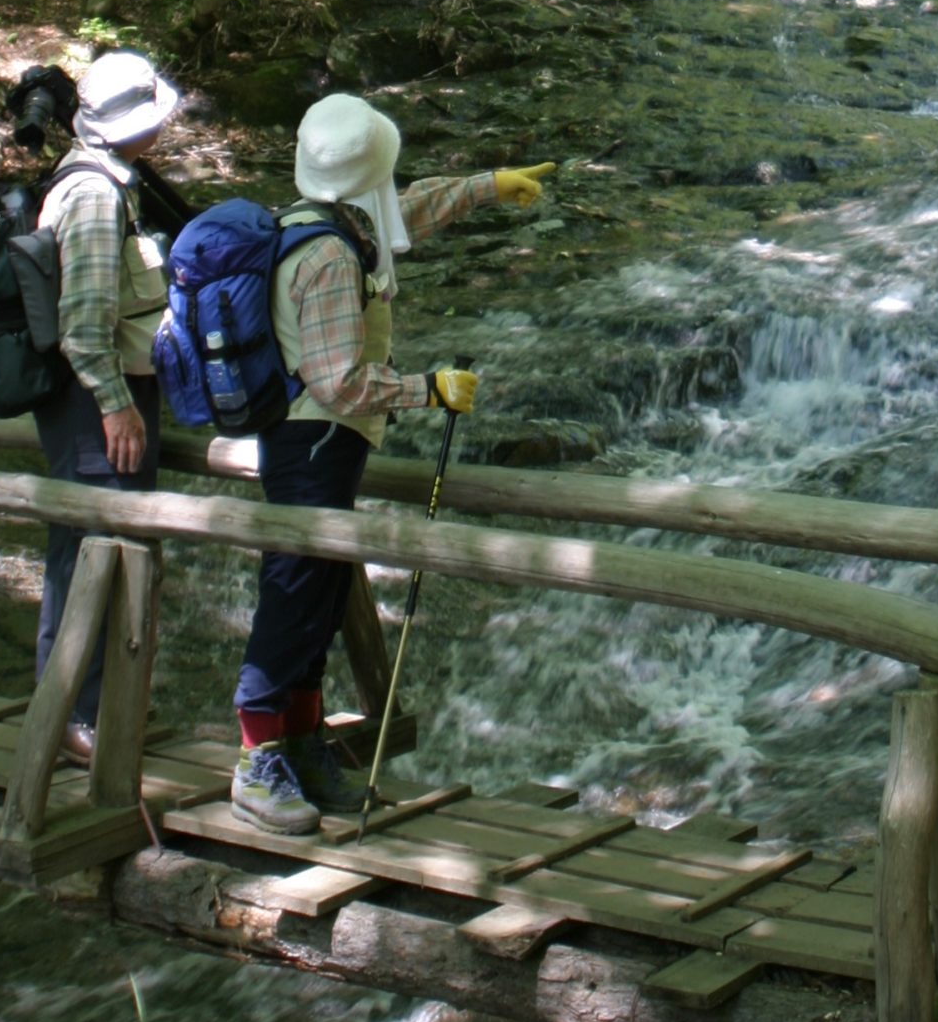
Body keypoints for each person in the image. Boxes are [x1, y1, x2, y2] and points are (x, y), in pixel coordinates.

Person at [232, 91, 553, 830]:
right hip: (312, 443)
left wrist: (487, 185)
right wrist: (428, 390)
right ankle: (255, 760)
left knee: (314, 597)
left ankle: (305, 745)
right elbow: (337, 379)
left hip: (317, 442)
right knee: (290, 594)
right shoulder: (329, 257)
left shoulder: (324, 221)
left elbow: (405, 214)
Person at [33, 50, 182, 762]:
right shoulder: (94, 195)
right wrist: (117, 407)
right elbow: (84, 322)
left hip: (104, 396)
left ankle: (90, 712)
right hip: (98, 400)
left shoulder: (108, 182)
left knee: (99, 551)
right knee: (98, 551)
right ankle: (76, 718)